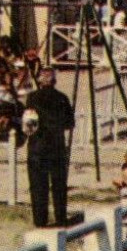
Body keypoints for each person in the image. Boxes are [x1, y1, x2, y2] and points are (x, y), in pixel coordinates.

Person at [25, 67, 75, 229]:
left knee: (38, 185)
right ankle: (60, 218)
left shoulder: (32, 98)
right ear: (54, 81)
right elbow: (70, 123)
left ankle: (40, 220)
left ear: (39, 81)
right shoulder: (62, 98)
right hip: (57, 146)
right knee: (59, 184)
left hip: (37, 147)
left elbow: (29, 122)